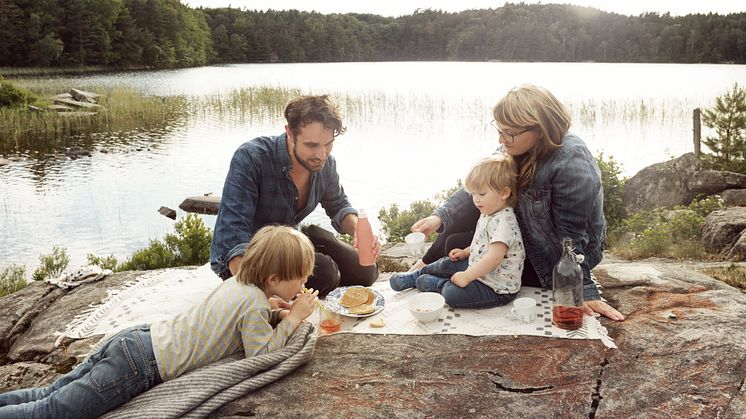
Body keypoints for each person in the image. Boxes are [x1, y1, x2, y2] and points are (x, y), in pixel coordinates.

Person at [0, 226, 319, 418]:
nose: (304, 281)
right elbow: (261, 355)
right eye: (301, 277)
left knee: (48, 393)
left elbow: (241, 318)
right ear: (274, 278)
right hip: (139, 366)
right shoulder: (253, 305)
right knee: (53, 412)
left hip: (136, 339)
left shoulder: (242, 285)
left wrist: (273, 312)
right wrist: (293, 318)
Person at [410, 84, 625, 321]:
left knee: (459, 245)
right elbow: (482, 184)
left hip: (551, 253)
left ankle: (433, 278)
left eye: (509, 132)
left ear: (540, 130)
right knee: (459, 230)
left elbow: (571, 237)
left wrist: (580, 288)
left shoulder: (571, 163)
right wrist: (438, 217)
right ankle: (419, 269)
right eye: (499, 130)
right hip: (524, 235)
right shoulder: (514, 146)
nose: (501, 139)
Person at [210, 95, 379, 298]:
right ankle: (313, 251)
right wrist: (255, 295)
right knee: (326, 272)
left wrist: (357, 232)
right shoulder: (251, 157)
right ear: (289, 133)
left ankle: (313, 236)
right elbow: (233, 235)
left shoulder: (326, 164)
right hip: (250, 256)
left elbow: (338, 204)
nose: (322, 154)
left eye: (328, 144)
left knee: (367, 272)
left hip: (290, 241)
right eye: (312, 145)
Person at [390, 155, 525, 308]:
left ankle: (439, 285)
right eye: (473, 194)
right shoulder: (489, 212)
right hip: (479, 268)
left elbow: (494, 258)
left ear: (504, 193)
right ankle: (415, 276)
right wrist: (466, 252)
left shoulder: (504, 222)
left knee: (453, 294)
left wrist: (467, 276)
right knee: (446, 263)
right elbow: (483, 243)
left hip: (495, 287)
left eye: (481, 194)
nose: (476, 200)